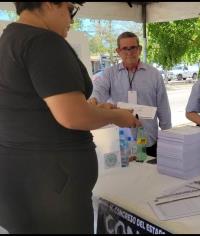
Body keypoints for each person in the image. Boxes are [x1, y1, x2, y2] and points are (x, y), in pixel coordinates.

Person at [0, 2, 140, 234]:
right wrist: (117, 116)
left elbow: (43, 106)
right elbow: (72, 115)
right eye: (70, 9)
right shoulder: (43, 42)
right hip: (52, 188)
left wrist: (91, 108)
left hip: (24, 178)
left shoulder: (10, 39)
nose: (72, 20)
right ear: (48, 4)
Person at [88, 32, 172, 157]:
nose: (129, 52)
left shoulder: (154, 74)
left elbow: (163, 106)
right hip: (121, 142)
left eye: (133, 47)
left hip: (149, 140)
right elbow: (99, 91)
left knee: (151, 176)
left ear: (139, 49)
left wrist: (168, 136)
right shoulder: (109, 74)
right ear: (118, 51)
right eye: (124, 48)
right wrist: (94, 100)